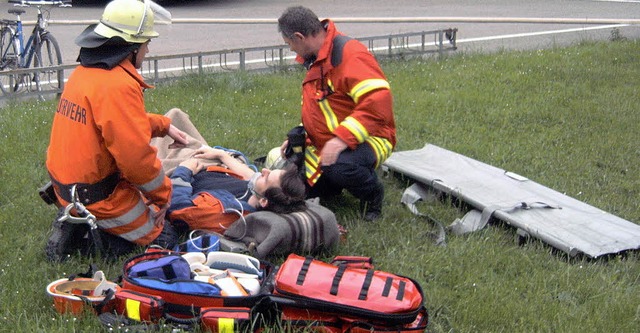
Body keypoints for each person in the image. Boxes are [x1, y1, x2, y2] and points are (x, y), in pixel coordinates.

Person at [45, 0, 187, 261]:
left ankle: (77, 222)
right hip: (97, 197)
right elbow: (136, 161)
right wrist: (163, 196)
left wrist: (164, 126)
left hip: (65, 188)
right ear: (132, 47)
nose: (147, 50)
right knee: (165, 237)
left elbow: (118, 124)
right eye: (146, 44)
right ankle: (95, 239)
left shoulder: (84, 73)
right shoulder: (119, 85)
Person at [277, 6, 397, 221]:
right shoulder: (319, 57)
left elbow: (378, 103)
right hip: (330, 140)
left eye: (290, 45)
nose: (292, 51)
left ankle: (373, 196)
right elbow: (324, 106)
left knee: (341, 166)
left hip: (374, 135)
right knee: (297, 191)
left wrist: (341, 139)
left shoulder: (350, 55)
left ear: (299, 37)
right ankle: (332, 184)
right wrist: (303, 135)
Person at [168, 146, 307, 234]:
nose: (263, 170)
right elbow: (250, 175)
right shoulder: (256, 194)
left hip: (180, 175)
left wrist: (184, 170)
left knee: (167, 134)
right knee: (178, 121)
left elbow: (179, 209)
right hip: (207, 166)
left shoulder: (228, 211)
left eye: (266, 177)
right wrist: (222, 155)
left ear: (264, 201)